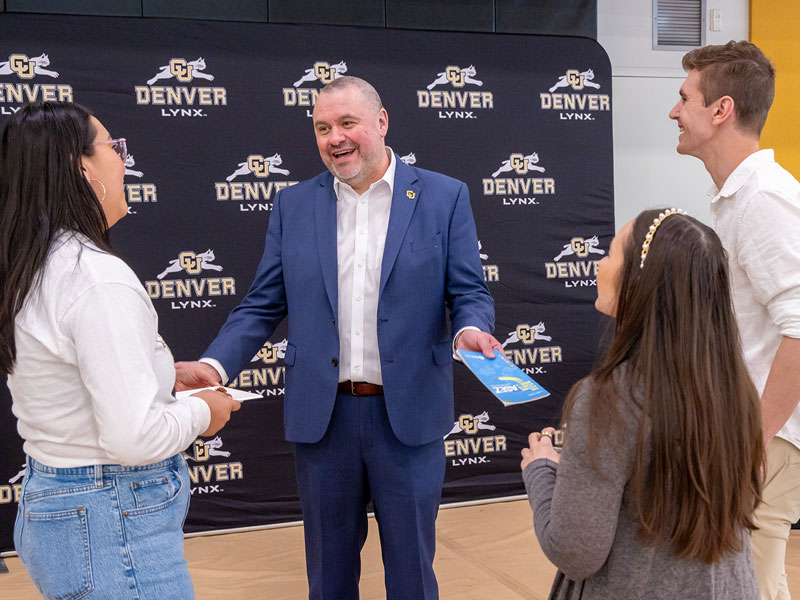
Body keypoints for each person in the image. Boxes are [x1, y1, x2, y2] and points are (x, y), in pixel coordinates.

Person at [175, 76, 501, 599]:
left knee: (413, 573)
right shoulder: (293, 205)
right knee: (328, 577)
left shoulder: (444, 196)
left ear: (381, 122)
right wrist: (214, 368)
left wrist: (469, 330)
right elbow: (262, 303)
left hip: (410, 419)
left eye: (347, 123)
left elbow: (470, 293)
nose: (335, 138)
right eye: (322, 128)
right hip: (324, 424)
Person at [0, 101, 240, 599]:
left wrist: (161, 378)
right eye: (113, 147)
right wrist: (203, 411)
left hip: (61, 506)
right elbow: (134, 438)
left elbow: (69, 375)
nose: (124, 161)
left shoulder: (34, 264)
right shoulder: (95, 276)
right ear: (80, 166)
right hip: (112, 516)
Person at [521, 209, 763, 599]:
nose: (600, 264)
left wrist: (541, 471)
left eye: (612, 253)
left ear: (639, 281)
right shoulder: (736, 389)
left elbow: (575, 551)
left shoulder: (608, 399)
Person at [668, 41, 800, 599]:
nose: (674, 111)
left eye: (683, 98)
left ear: (720, 110)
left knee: (754, 586)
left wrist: (753, 441)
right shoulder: (734, 199)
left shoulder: (764, 200)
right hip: (744, 435)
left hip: (765, 441)